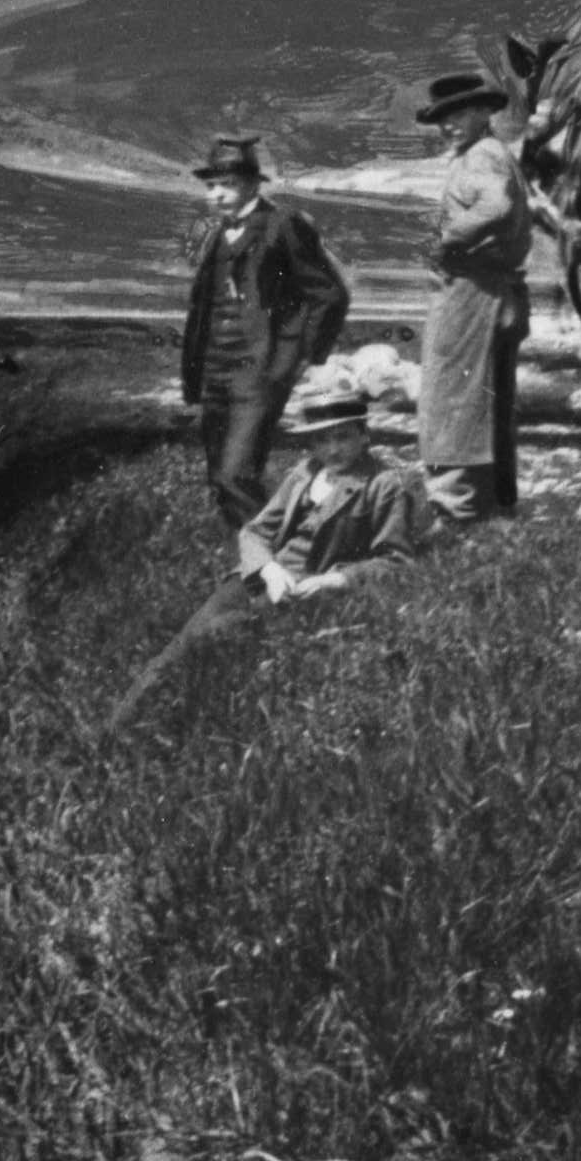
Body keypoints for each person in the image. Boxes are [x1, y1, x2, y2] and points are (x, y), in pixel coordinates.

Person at [108, 368, 438, 730]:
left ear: (364, 436)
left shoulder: (383, 485)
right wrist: (268, 568)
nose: (332, 449)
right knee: (179, 649)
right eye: (321, 440)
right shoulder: (306, 473)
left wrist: (334, 581)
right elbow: (255, 532)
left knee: (217, 642)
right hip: (262, 577)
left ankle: (176, 725)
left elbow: (396, 561)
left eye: (343, 437)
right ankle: (114, 731)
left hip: (303, 589)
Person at [177, 134, 350, 528]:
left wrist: (303, 356)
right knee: (220, 478)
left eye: (227, 185)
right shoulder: (217, 235)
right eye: (211, 186)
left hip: (259, 370)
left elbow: (330, 294)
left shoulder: (282, 225)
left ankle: (276, 560)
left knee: (235, 474)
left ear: (253, 184)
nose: (217, 195)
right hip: (215, 370)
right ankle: (248, 565)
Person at [415, 70, 529, 520]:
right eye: (443, 117)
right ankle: (493, 505)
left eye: (459, 113)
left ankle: (454, 508)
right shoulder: (491, 152)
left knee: (450, 397)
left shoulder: (481, 157)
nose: (449, 125)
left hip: (470, 293)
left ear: (484, 112)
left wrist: (447, 237)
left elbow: (495, 204)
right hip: (492, 290)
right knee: (487, 399)